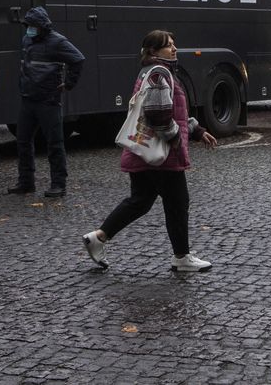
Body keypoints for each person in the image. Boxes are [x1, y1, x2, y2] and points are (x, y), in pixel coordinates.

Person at [82, 30, 218, 273]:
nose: (174, 49)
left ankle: (99, 237)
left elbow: (174, 110)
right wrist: (176, 138)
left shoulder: (150, 71)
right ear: (154, 51)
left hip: (144, 149)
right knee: (177, 202)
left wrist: (195, 130)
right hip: (162, 153)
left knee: (140, 201)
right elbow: (158, 113)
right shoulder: (159, 73)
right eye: (169, 46)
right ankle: (182, 256)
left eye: (174, 44)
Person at [8, 6, 85, 198]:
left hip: (48, 101)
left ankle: (59, 184)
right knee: (23, 141)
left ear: (42, 26)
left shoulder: (57, 42)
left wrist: (68, 84)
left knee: (54, 143)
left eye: (33, 26)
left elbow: (78, 59)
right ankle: (26, 183)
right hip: (28, 99)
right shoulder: (27, 40)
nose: (29, 29)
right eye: (28, 25)